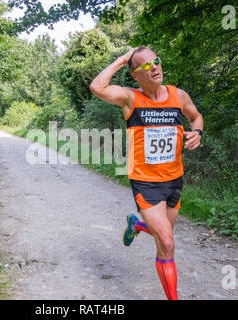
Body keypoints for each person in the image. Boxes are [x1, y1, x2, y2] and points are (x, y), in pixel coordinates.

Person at [90, 46, 203, 300]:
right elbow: (97, 87)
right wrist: (122, 59)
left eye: (156, 62)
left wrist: (198, 133)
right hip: (145, 182)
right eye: (145, 66)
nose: (154, 67)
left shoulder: (179, 96)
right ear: (135, 75)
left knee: (164, 236)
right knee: (167, 242)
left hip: (174, 179)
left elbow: (197, 118)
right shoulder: (130, 97)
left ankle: (136, 225)